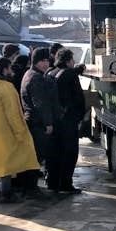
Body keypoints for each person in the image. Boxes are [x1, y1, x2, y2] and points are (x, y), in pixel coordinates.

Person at [0, 57, 39, 203]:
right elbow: (13, 114)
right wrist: (21, 133)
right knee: (6, 163)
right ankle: (6, 193)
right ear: (5, 69)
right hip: (5, 131)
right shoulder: (6, 88)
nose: (12, 71)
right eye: (10, 68)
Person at [20, 47, 60, 197]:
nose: (46, 63)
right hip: (37, 123)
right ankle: (30, 188)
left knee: (33, 156)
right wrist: (48, 123)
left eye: (47, 60)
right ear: (36, 61)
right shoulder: (35, 78)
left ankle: (29, 186)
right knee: (36, 156)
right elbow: (40, 103)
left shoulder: (29, 74)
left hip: (32, 120)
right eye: (43, 61)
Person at [49, 48, 86, 194]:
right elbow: (78, 98)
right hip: (68, 121)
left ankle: (52, 182)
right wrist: (80, 116)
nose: (74, 62)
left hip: (54, 120)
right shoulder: (70, 75)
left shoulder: (50, 72)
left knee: (55, 152)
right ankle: (66, 184)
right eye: (72, 59)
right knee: (69, 153)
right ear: (68, 60)